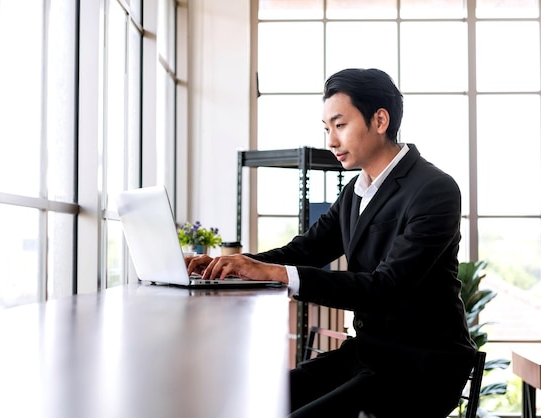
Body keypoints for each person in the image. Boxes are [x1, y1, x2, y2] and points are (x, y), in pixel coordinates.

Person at [186, 68, 477, 418]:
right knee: (257, 401)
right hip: (369, 353)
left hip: (421, 365)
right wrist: (235, 264)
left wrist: (276, 273)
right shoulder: (355, 192)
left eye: (340, 125)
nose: (331, 141)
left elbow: (385, 287)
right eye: (327, 129)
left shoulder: (434, 189)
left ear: (380, 120)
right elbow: (304, 250)